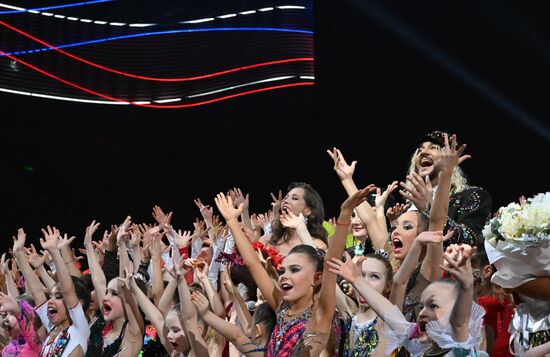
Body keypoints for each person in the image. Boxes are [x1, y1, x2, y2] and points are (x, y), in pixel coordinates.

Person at [215, 187, 374, 356]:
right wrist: (232, 221)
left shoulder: (320, 314)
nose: (284, 275)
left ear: (317, 278)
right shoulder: (281, 308)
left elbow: (330, 263)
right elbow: (254, 264)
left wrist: (345, 213)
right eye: (283, 270)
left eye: (294, 270)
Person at [400, 130, 492, 248]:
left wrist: (429, 208)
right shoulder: (408, 207)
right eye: (420, 149)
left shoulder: (471, 196)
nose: (423, 152)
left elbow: (468, 242)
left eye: (433, 148)